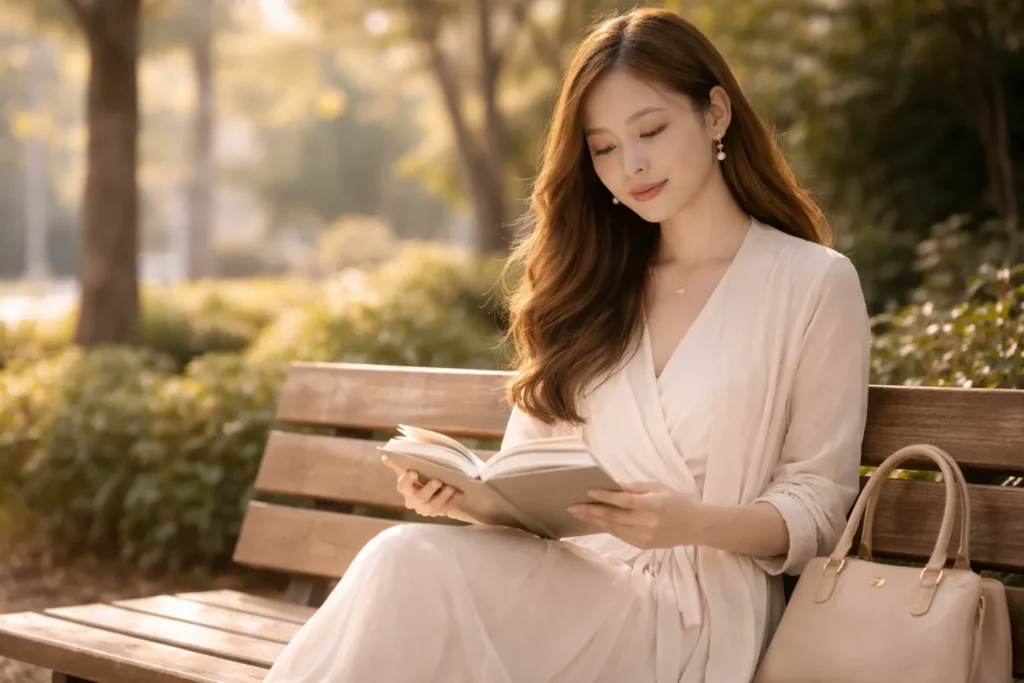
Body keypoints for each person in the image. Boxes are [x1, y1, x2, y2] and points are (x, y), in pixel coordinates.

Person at [262, 6, 871, 683]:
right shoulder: (592, 285)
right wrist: (467, 498)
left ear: (716, 114)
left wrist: (691, 521)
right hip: (568, 589)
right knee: (406, 555)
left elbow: (819, 506)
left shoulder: (813, 283)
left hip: (692, 619)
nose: (630, 163)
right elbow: (527, 481)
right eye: (604, 147)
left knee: (410, 569)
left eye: (651, 129)